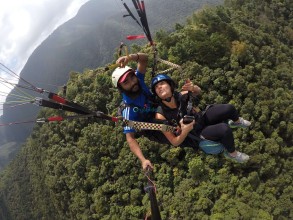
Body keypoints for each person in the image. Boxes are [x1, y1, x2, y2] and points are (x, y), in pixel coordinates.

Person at [151, 74, 251, 163]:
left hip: (201, 117)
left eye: (162, 83)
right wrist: (185, 131)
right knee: (224, 129)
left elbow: (198, 91)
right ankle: (232, 154)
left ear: (170, 86)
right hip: (196, 132)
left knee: (229, 108)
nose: (159, 87)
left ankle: (237, 122)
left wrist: (193, 87)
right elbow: (174, 142)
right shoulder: (160, 115)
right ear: (156, 93)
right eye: (156, 87)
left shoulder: (180, 95)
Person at [112, 53, 168, 170]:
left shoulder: (139, 81)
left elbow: (144, 60)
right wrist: (143, 159)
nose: (133, 82)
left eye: (132, 77)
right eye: (126, 82)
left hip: (158, 108)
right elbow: (130, 138)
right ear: (121, 88)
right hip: (152, 128)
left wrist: (130, 57)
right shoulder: (128, 109)